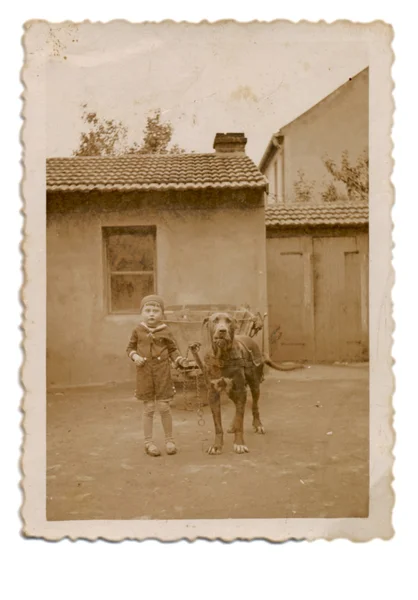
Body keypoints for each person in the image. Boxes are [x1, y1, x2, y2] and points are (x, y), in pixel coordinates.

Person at [126, 294, 191, 457]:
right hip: (144, 372)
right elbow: (129, 348)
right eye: (147, 310)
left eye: (156, 310)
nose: (151, 314)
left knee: (164, 406)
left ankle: (169, 440)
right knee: (148, 408)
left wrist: (179, 360)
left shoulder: (166, 331)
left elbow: (172, 350)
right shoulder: (138, 330)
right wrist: (135, 356)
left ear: (162, 314)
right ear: (142, 313)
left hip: (162, 372)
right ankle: (148, 443)